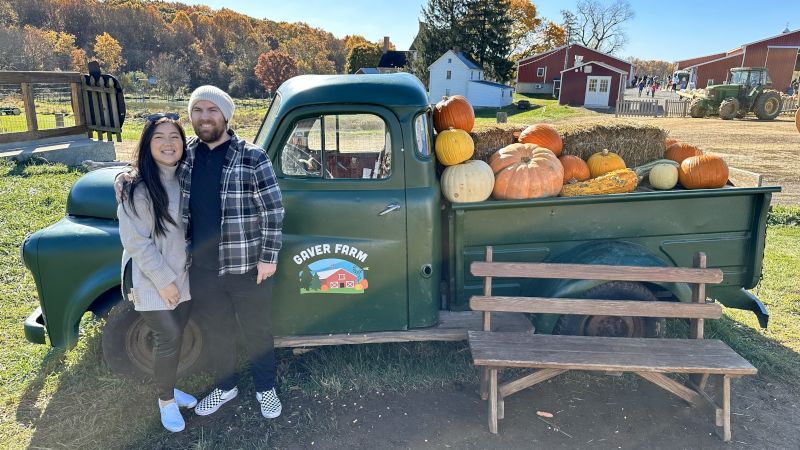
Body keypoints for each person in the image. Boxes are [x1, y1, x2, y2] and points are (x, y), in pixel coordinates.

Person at [115, 86, 285, 420]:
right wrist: (124, 176)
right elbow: (152, 165)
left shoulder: (252, 156)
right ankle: (226, 386)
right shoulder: (187, 153)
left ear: (225, 116)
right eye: (197, 111)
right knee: (217, 329)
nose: (204, 118)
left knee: (257, 329)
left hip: (248, 264)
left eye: (211, 111)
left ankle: (266, 389)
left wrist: (269, 256)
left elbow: (274, 210)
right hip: (203, 268)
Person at [117, 114, 197, 433]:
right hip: (155, 282)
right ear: (147, 144)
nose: (168, 143)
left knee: (175, 339)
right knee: (169, 337)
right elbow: (136, 241)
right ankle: (165, 400)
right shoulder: (138, 188)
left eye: (174, 137)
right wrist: (164, 282)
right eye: (159, 137)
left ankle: (171, 387)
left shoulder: (185, 177)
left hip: (185, 277)